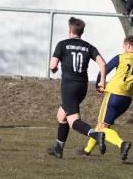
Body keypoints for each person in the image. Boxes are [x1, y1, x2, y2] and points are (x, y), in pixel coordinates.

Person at [76, 36, 133, 161]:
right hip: (127, 99)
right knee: (103, 124)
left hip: (113, 95)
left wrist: (98, 85)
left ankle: (122, 144)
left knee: (103, 127)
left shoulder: (121, 57)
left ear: (128, 46)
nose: (123, 50)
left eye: (124, 47)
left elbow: (103, 69)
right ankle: (87, 150)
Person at [46, 17, 107, 159]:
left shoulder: (62, 44)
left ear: (69, 30)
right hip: (82, 88)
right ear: (81, 32)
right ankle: (58, 149)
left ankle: (96, 135)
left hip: (69, 87)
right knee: (61, 115)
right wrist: (102, 83)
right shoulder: (88, 46)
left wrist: (55, 69)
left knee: (73, 121)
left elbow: (52, 66)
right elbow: (102, 64)